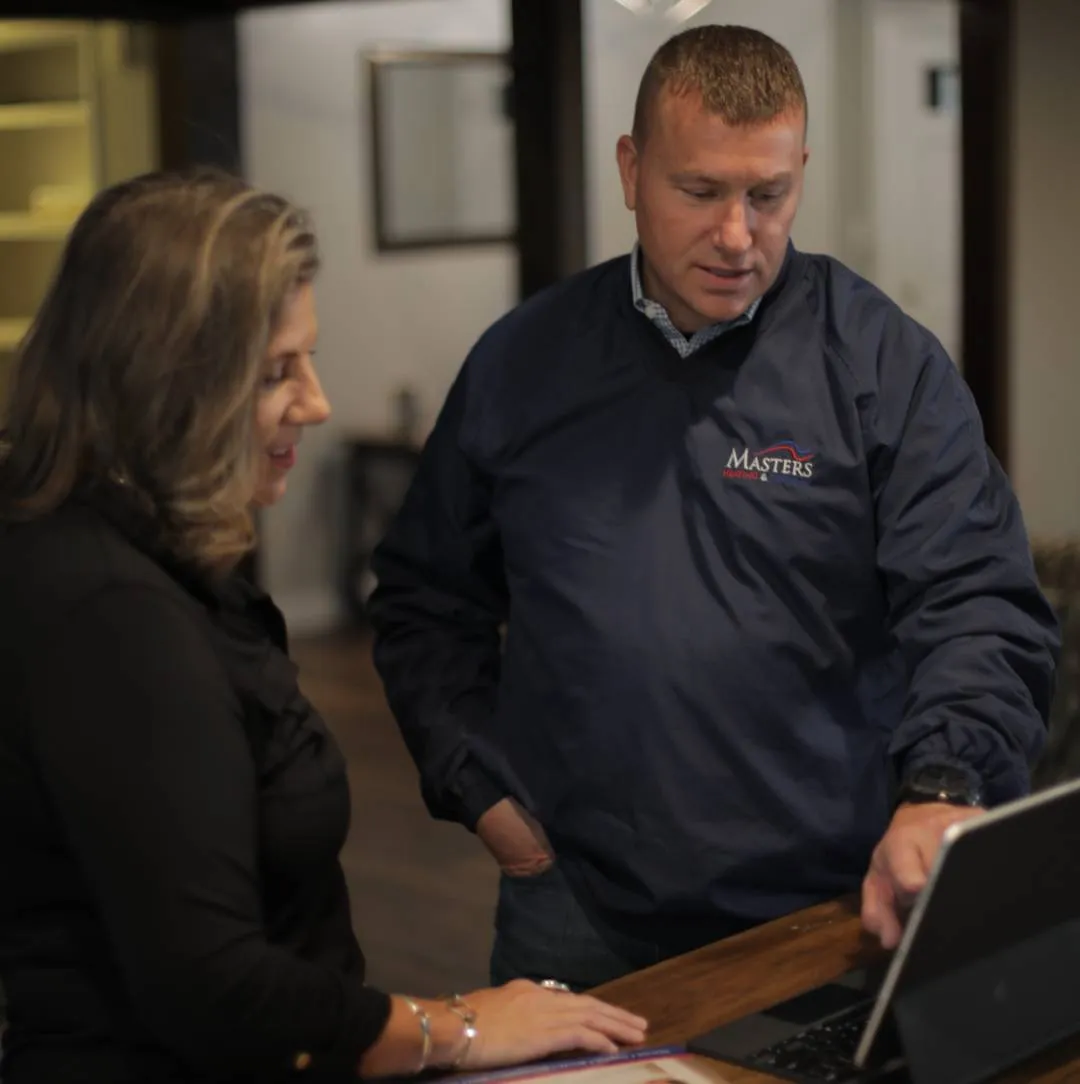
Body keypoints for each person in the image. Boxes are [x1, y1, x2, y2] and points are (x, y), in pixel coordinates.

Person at [366, 24, 1060, 992]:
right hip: (575, 905)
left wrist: (944, 786)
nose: (738, 235)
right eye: (700, 192)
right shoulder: (523, 363)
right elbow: (422, 599)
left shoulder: (879, 364)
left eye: (767, 195)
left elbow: (980, 601)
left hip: (828, 906)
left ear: (799, 174)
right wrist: (476, 784)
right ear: (631, 169)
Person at [0, 168, 648, 1083]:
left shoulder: (140, 560)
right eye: (275, 372)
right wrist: (456, 1027)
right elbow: (212, 986)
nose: (316, 401)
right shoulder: (112, 615)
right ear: (166, 377)